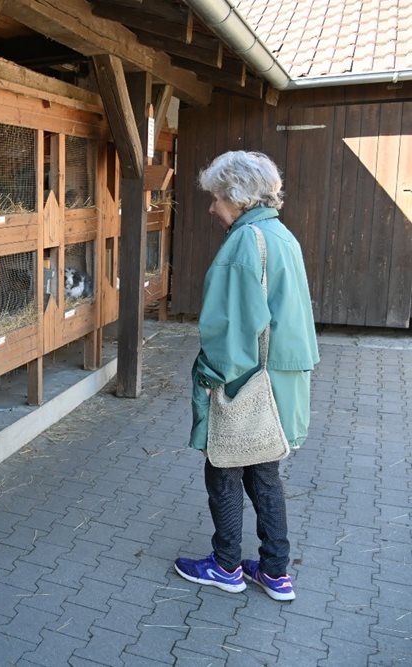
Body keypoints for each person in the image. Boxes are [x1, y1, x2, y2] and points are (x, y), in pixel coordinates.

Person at [173, 151, 319, 602]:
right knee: (264, 473)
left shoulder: (243, 243)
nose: (212, 207)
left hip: (246, 379)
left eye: (216, 197)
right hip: (281, 380)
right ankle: (275, 572)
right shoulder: (281, 235)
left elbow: (233, 330)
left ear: (238, 197)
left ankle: (225, 566)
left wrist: (208, 379)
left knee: (223, 468)